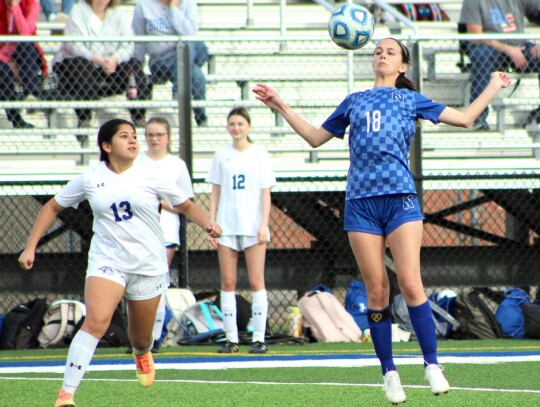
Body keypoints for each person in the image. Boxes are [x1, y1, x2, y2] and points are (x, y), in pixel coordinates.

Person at [253, 38, 511, 404]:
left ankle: (432, 363)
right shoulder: (354, 101)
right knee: (377, 291)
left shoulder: (410, 99)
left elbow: (467, 119)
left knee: (410, 283)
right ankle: (388, 371)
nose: (382, 55)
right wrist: (280, 104)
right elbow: (314, 138)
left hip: (400, 200)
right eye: (377, 51)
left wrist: (493, 86)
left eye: (390, 52)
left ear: (403, 65)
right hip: (360, 204)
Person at [18, 118, 221, 407]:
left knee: (140, 338)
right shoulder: (90, 179)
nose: (133, 140)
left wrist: (208, 225)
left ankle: (142, 353)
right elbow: (53, 206)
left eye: (134, 136)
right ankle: (66, 394)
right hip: (107, 260)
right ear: (106, 145)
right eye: (124, 136)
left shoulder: (151, 174)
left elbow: (185, 204)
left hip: (148, 263)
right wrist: (30, 247)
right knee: (96, 321)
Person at [207, 107, 276, 354]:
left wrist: (263, 224)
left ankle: (259, 338)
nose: (236, 128)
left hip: (252, 226)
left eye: (240, 123)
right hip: (226, 226)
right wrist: (212, 222)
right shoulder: (221, 155)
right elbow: (215, 191)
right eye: (232, 123)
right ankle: (231, 339)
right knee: (228, 282)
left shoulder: (259, 154)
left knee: (257, 281)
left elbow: (265, 192)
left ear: (248, 126)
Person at [136, 116, 194, 352]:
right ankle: (139, 336)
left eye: (159, 135)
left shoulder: (176, 165)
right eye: (150, 134)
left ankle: (154, 337)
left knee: (158, 282)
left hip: (165, 231)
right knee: (137, 286)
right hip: (137, 231)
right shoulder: (137, 162)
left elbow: (186, 202)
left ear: (168, 137)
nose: (154, 139)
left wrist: (161, 201)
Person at [52, 0, 151, 129]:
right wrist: (98, 60)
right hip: (86, 62)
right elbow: (73, 45)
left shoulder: (119, 13)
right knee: (81, 66)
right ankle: (84, 118)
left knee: (134, 67)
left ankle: (138, 116)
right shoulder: (77, 11)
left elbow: (128, 44)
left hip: (112, 64)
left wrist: (114, 59)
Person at [459, 0, 540, 130]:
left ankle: (538, 116)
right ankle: (478, 119)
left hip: (518, 46)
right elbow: (476, 36)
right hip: (488, 47)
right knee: (481, 56)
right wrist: (508, 49)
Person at [132, 0, 209, 127]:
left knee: (190, 45)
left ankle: (178, 89)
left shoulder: (188, 3)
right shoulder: (143, 5)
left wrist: (173, 9)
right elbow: (138, 39)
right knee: (195, 73)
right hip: (160, 61)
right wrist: (137, 65)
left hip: (186, 54)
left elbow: (190, 33)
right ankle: (202, 119)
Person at [0, 0, 47, 128]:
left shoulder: (32, 5)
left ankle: (30, 95)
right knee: (3, 71)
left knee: (27, 45)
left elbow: (26, 33)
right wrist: (8, 62)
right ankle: (16, 119)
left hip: (27, 56)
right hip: (3, 55)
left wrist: (15, 7)